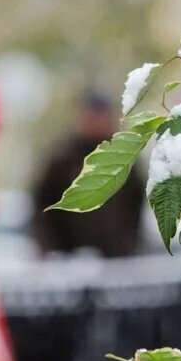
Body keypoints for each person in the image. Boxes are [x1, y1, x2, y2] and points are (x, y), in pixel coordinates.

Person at [32, 91, 145, 257]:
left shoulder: (124, 156)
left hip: (115, 259)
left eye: (100, 115)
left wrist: (130, 246)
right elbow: (42, 207)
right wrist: (51, 251)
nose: (95, 121)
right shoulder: (62, 158)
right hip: (68, 260)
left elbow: (136, 205)